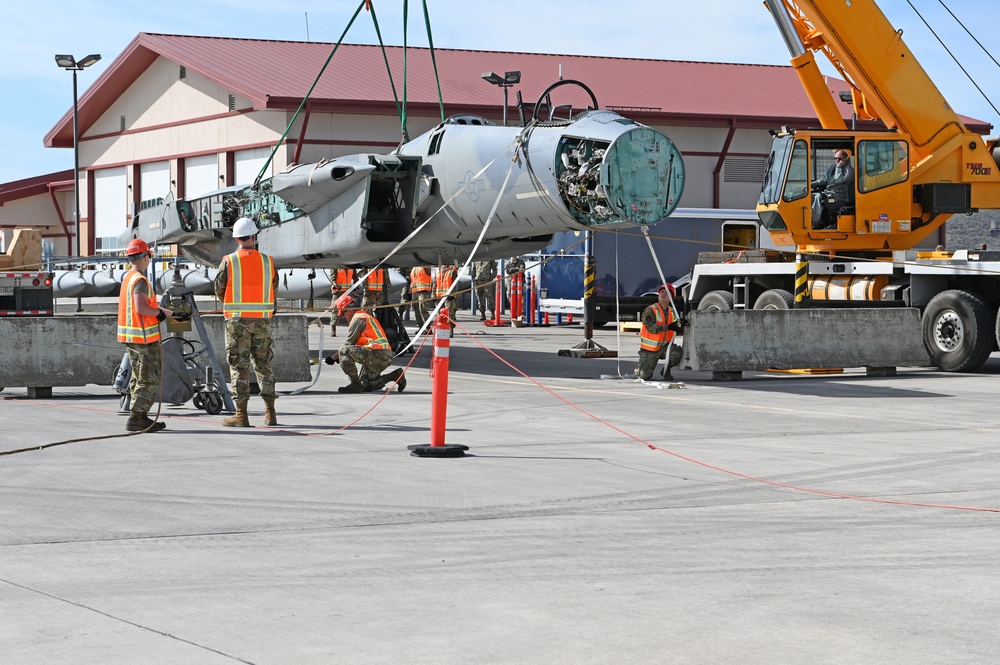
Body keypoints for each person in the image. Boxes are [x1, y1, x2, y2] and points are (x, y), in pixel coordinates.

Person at [214, 217, 279, 427]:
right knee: (264, 366)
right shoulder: (268, 261)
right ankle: (270, 413)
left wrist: (233, 304)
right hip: (262, 322)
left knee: (239, 368)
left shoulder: (229, 261)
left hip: (237, 322)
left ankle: (241, 414)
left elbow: (219, 289)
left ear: (236, 238)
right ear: (254, 236)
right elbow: (274, 288)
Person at [117, 238, 175, 433]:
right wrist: (158, 314)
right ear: (144, 256)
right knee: (149, 378)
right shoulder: (140, 280)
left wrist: (169, 314)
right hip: (143, 338)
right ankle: (136, 417)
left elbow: (146, 307)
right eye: (149, 255)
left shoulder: (128, 277)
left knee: (139, 377)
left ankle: (140, 416)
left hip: (133, 337)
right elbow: (142, 307)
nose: (149, 259)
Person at [326, 293, 406, 393]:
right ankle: (395, 375)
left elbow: (348, 346)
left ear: (350, 310)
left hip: (377, 354)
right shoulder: (364, 316)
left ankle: (355, 384)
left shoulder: (358, 319)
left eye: (342, 314)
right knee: (368, 385)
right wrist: (340, 358)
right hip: (383, 355)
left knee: (343, 350)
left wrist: (333, 358)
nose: (343, 317)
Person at [634, 284, 684, 382]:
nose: (664, 294)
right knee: (644, 377)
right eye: (662, 292)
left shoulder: (672, 311)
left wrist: (681, 325)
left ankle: (666, 371)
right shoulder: (651, 310)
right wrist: (669, 327)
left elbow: (675, 325)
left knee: (677, 353)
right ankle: (640, 369)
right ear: (658, 295)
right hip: (650, 349)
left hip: (664, 347)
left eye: (667, 292)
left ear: (671, 297)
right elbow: (651, 328)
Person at [812, 150, 854, 228]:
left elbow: (839, 179)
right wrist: (811, 184)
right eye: (836, 158)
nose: (837, 160)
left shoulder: (849, 169)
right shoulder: (833, 167)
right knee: (810, 196)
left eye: (840, 159)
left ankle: (815, 224)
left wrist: (839, 166)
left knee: (819, 198)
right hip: (830, 192)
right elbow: (825, 179)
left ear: (845, 159)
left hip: (840, 195)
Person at [328, 266, 355, 337]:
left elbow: (355, 277)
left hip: (347, 291)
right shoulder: (336, 266)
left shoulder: (351, 266)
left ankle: (351, 328)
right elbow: (332, 278)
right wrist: (335, 285)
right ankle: (333, 328)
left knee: (350, 310)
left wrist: (356, 285)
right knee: (335, 310)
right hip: (338, 292)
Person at [433, 263, 459, 327]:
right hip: (439, 296)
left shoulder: (452, 270)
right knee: (440, 315)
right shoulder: (437, 270)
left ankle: (450, 330)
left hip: (448, 296)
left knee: (449, 313)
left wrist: (453, 295)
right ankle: (441, 330)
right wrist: (433, 295)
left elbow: (455, 283)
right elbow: (434, 283)